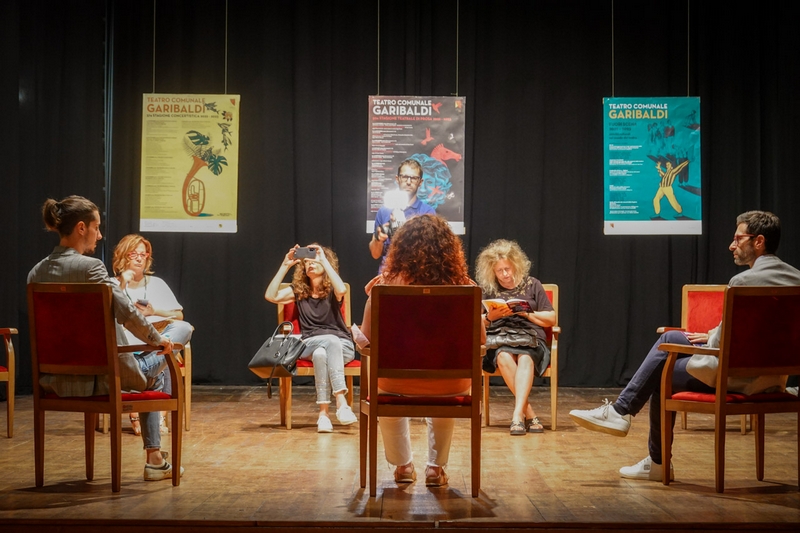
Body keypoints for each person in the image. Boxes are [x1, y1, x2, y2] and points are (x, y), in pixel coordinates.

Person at [569, 210, 800, 481]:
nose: (731, 245)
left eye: (738, 239)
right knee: (671, 338)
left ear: (758, 241)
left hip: (736, 378)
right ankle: (622, 414)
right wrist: (712, 334)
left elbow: (722, 343)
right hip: (771, 379)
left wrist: (713, 337)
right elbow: (755, 333)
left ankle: (649, 450)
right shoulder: (796, 279)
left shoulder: (742, 283)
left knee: (662, 372)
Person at [27, 196, 182, 481]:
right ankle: (154, 460)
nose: (99, 235)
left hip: (55, 380)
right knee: (164, 361)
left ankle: (156, 461)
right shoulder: (92, 268)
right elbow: (128, 314)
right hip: (102, 379)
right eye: (97, 228)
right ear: (81, 228)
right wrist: (157, 340)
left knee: (160, 354)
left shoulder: (36, 272)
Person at [360, 214, 487, 487]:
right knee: (446, 381)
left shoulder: (383, 287)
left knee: (382, 383)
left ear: (400, 248)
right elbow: (480, 342)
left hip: (393, 383)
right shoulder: (466, 288)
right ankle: (435, 470)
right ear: (449, 249)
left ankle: (403, 466)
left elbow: (366, 340)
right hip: (452, 383)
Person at [265, 244, 358, 433]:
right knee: (327, 342)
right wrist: (285, 265)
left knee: (321, 354)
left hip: (342, 346)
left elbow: (342, 289)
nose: (310, 264)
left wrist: (323, 258)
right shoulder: (300, 291)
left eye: (314, 261)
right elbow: (270, 296)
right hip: (309, 342)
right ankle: (341, 402)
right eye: (306, 262)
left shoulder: (333, 289)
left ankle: (323, 415)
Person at [110, 234, 193, 436]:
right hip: (125, 349)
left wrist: (154, 311)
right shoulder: (111, 283)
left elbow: (178, 315)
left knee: (178, 334)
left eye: (143, 254)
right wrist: (122, 285)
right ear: (123, 256)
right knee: (166, 355)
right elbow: (107, 314)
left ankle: (153, 412)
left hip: (155, 343)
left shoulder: (157, 283)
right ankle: (150, 412)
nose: (140, 258)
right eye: (134, 254)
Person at [475, 239, 555, 435]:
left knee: (526, 357)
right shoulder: (489, 289)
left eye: (507, 269)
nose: (505, 274)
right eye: (499, 271)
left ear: (515, 265)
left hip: (530, 337)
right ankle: (528, 414)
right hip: (500, 337)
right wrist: (490, 317)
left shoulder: (532, 284)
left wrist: (527, 314)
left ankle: (518, 414)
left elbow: (551, 318)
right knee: (503, 355)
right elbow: (476, 322)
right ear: (492, 272)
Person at [369, 159, 436, 271]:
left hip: (415, 274)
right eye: (404, 177)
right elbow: (375, 254)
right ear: (397, 179)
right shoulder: (384, 210)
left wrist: (405, 231)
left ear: (420, 182)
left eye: (414, 178)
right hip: (388, 274)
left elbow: (430, 254)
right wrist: (378, 239)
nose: (408, 182)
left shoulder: (428, 212)